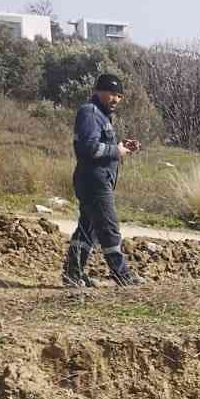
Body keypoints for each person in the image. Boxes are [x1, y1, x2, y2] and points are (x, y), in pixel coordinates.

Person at [61, 72, 143, 289]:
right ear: (97, 91)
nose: (115, 99)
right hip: (93, 181)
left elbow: (99, 145)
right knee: (109, 228)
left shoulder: (102, 115)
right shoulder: (90, 112)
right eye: (111, 93)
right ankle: (122, 275)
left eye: (119, 96)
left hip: (97, 180)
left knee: (88, 228)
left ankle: (73, 274)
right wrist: (116, 150)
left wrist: (122, 145)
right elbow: (88, 148)